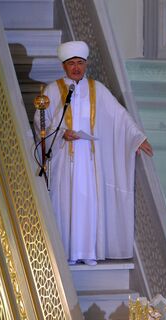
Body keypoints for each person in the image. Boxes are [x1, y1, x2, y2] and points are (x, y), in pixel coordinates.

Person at [34, 41, 153, 266]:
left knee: (87, 202)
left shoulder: (96, 89)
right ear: (64, 66)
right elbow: (42, 124)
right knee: (66, 202)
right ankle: (67, 252)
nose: (76, 68)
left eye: (80, 63)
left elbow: (119, 116)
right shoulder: (51, 90)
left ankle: (87, 251)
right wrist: (61, 134)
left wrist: (136, 137)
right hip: (64, 159)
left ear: (85, 64)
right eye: (71, 63)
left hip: (89, 160)